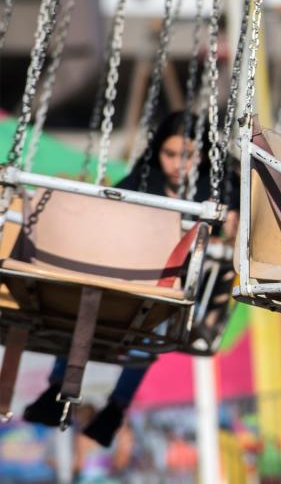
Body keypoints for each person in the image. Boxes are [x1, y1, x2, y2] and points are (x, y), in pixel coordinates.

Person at [23, 111, 239, 446]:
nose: (178, 165)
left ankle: (116, 408)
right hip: (131, 277)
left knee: (155, 323)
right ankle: (58, 387)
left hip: (175, 292)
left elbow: (235, 231)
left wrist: (228, 224)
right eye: (170, 155)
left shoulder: (217, 185)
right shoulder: (145, 179)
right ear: (158, 153)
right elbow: (114, 214)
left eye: (188, 155)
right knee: (86, 301)